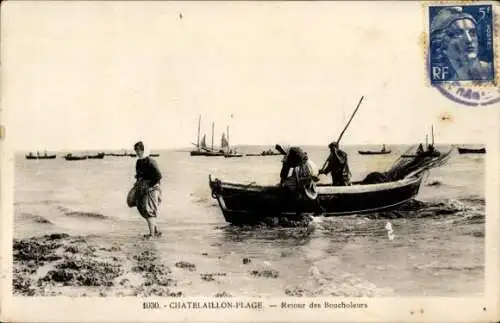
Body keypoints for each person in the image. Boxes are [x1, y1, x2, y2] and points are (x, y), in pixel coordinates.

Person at [430, 6, 492, 81]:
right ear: (442, 45)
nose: (469, 40)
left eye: (472, 33)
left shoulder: (493, 71)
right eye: (457, 34)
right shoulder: (449, 83)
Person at [277, 145, 322, 216]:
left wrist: (307, 181)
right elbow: (284, 175)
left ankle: (306, 211)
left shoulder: (309, 166)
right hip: (300, 179)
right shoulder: (294, 161)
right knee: (291, 189)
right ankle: (298, 211)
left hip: (306, 184)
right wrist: (283, 182)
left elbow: (307, 183)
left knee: (303, 194)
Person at [132, 141, 163, 238]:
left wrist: (149, 186)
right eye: (136, 150)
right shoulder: (138, 162)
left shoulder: (150, 161)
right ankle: (155, 231)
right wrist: (138, 179)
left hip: (152, 189)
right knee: (143, 209)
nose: (137, 153)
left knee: (149, 211)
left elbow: (158, 176)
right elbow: (139, 175)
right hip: (142, 188)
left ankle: (152, 235)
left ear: (143, 150)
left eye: (138, 150)